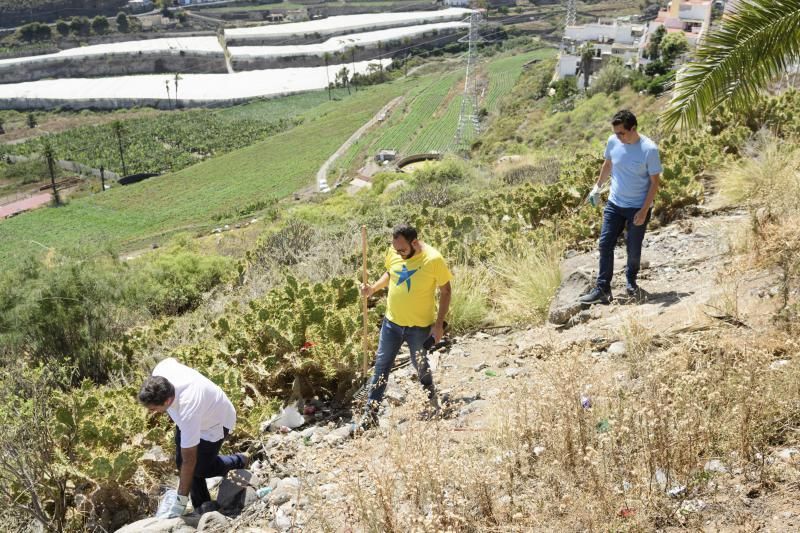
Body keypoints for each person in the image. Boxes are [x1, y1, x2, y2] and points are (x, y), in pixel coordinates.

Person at [360, 223, 452, 428]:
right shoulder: (395, 252)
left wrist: (438, 326)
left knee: (420, 365)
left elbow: (446, 291)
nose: (399, 254)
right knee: (381, 367)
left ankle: (432, 400)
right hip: (391, 323)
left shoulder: (433, 259)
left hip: (419, 327)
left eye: (403, 250)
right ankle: (370, 416)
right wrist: (373, 288)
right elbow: (391, 273)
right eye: (396, 250)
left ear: (415, 243)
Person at [138, 357, 248, 518]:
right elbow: (171, 360)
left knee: (198, 468)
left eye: (154, 409)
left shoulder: (188, 407)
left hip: (215, 421)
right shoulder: (161, 371)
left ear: (168, 400)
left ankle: (239, 460)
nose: (152, 412)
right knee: (180, 461)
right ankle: (202, 506)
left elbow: (190, 460)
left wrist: (180, 502)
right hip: (193, 416)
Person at [580, 109, 662, 304]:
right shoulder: (613, 141)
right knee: (605, 244)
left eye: (621, 133)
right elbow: (608, 164)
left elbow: (654, 183)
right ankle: (603, 289)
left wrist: (644, 210)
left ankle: (631, 282)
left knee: (633, 249)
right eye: (616, 133)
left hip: (638, 207)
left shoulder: (649, 149)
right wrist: (596, 188)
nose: (617, 137)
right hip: (615, 204)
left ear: (633, 129)